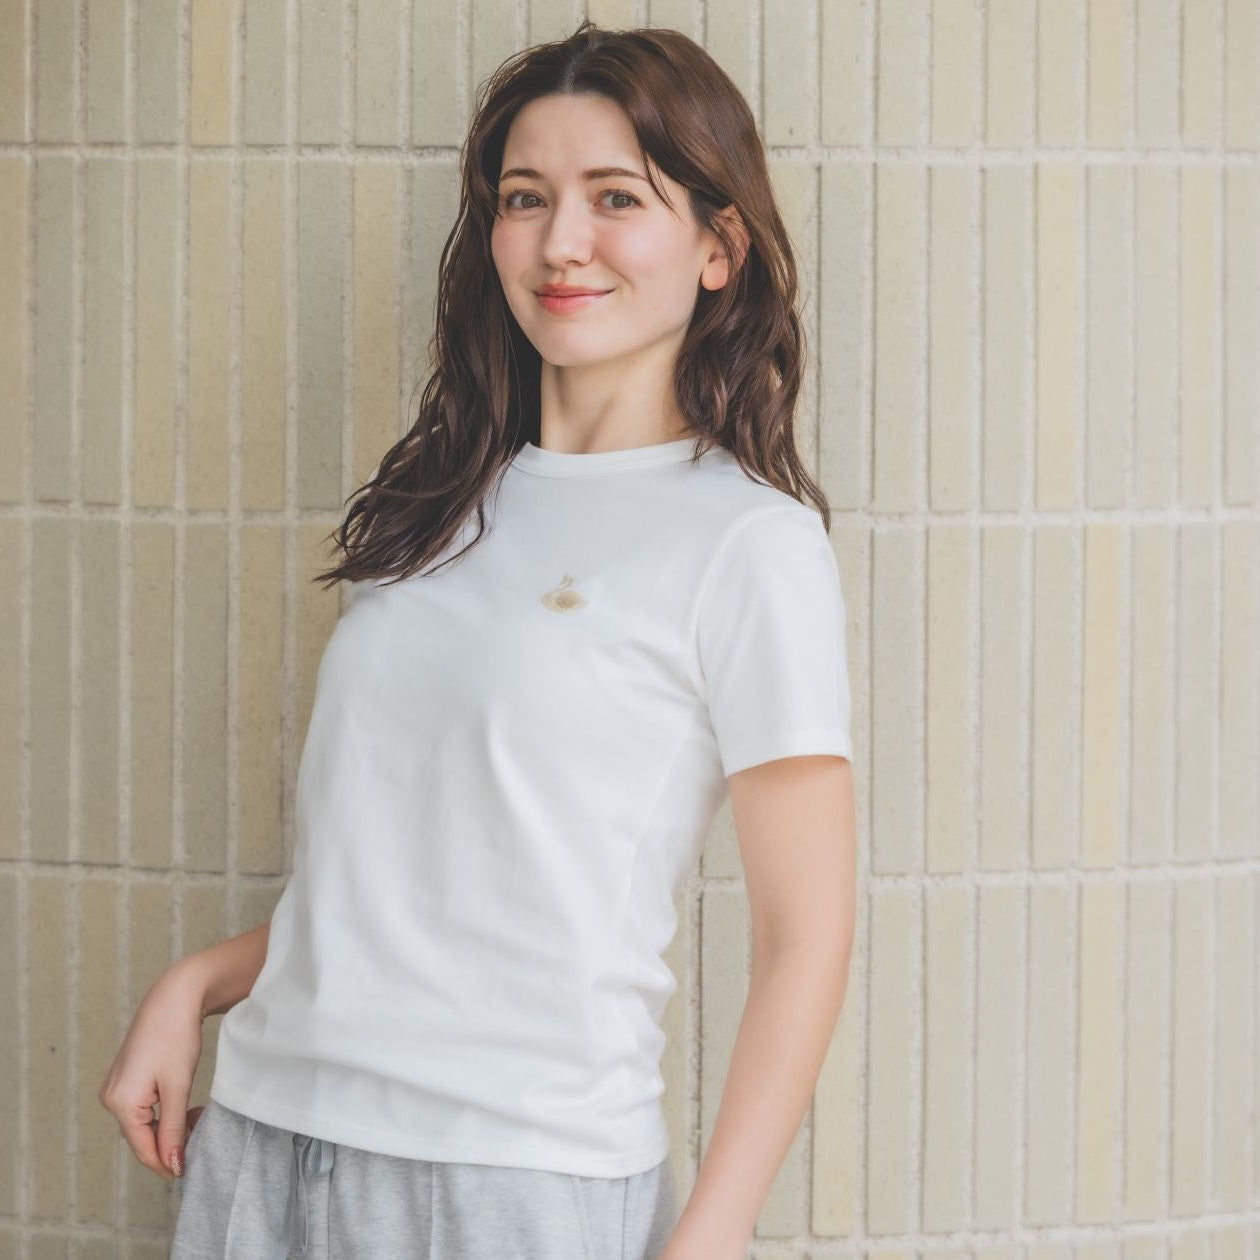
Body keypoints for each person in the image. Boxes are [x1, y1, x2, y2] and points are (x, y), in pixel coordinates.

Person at [99, 19, 858, 1260]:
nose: (562, 242)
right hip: (265, 1142)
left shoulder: (748, 543)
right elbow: (410, 878)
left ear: (719, 246)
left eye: (617, 197)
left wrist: (708, 1240)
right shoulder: (440, 505)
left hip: (512, 1177)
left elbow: (806, 941)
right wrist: (201, 982)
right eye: (525, 197)